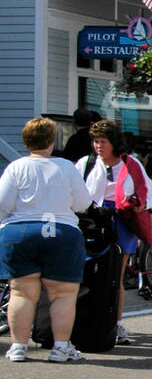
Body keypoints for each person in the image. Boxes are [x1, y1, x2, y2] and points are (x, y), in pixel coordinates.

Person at [0, 117, 92, 362]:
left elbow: (3, 204)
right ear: (52, 141)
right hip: (60, 231)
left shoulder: (16, 167)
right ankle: (61, 347)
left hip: (20, 231)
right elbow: (84, 203)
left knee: (20, 292)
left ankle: (18, 347)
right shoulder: (65, 166)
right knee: (63, 293)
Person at [80, 119, 152, 347]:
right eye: (95, 141)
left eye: (103, 141)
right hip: (93, 219)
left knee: (115, 276)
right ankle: (86, 321)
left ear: (114, 142)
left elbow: (148, 191)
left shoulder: (131, 164)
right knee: (88, 272)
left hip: (121, 219)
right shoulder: (86, 163)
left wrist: (140, 203)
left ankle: (116, 322)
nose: (98, 146)